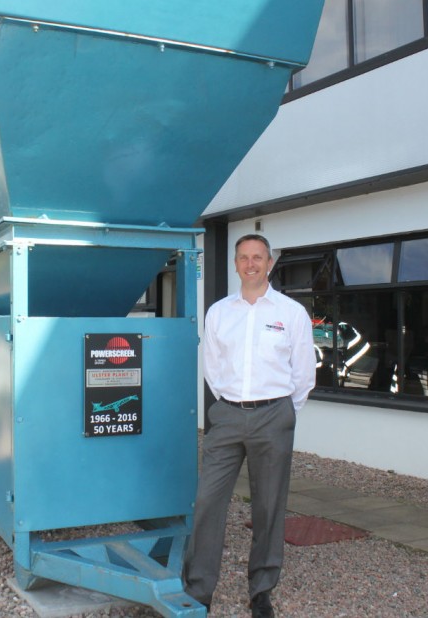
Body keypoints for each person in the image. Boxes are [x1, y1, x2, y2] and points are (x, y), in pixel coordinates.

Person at [184, 234, 316, 618]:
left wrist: (281, 413)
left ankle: (261, 591)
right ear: (236, 263)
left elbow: (304, 375)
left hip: (274, 416)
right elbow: (212, 368)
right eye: (244, 257)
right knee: (208, 501)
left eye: (258, 257)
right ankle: (199, 589)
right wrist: (231, 404)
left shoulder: (290, 313)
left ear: (270, 263)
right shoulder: (220, 312)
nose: (251, 263)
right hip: (226, 416)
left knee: (269, 506)